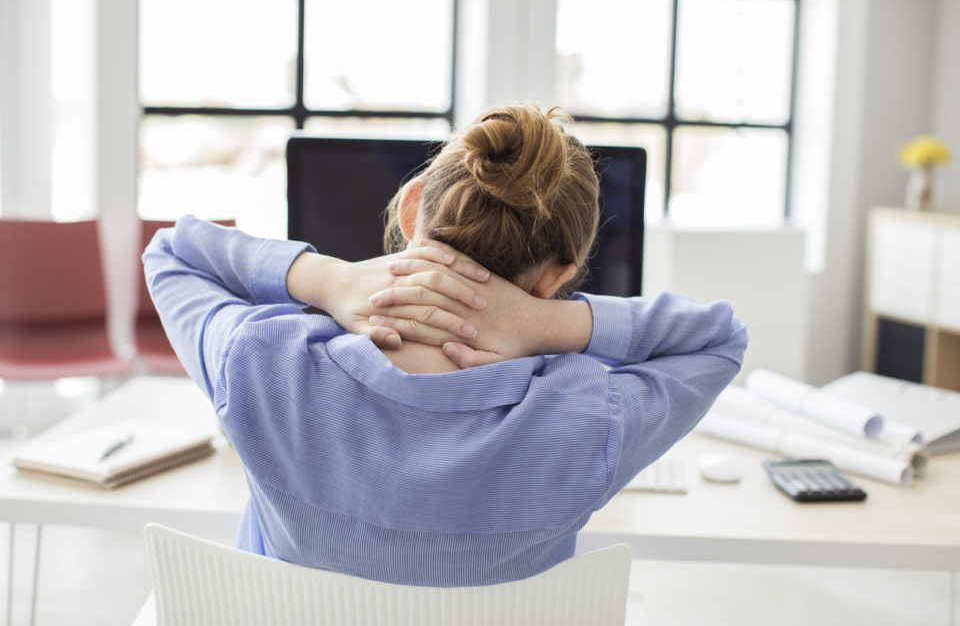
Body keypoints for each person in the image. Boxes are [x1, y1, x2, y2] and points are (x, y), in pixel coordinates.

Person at [143, 103, 747, 587]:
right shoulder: (591, 417)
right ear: (558, 275)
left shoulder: (262, 362)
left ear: (411, 212)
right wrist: (546, 322)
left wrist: (327, 278)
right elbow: (719, 338)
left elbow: (173, 252)